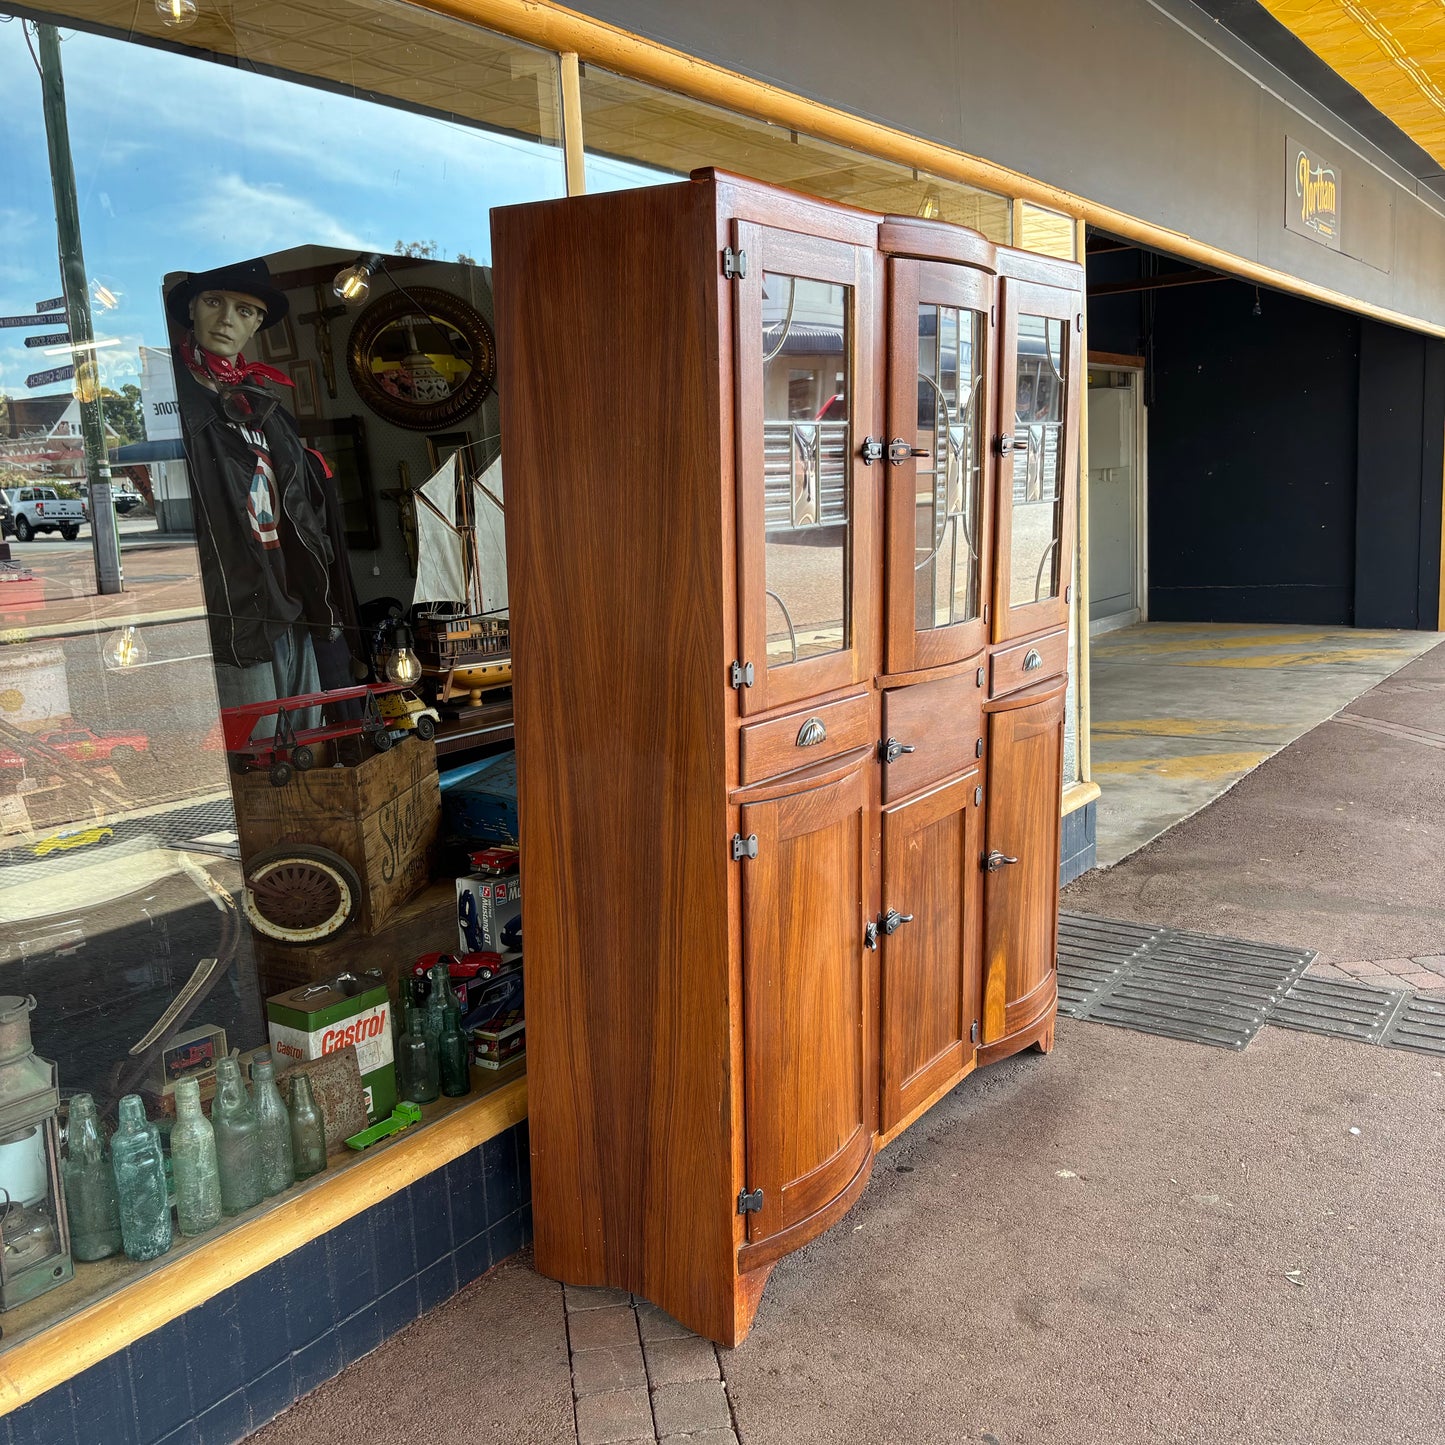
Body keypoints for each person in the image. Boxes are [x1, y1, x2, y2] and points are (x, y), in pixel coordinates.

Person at [165, 258, 361, 733]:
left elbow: (300, 512)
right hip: (234, 613)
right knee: (252, 755)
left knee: (307, 744)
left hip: (291, 600)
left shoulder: (267, 406)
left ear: (256, 325)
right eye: (215, 302)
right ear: (193, 307)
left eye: (246, 311)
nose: (229, 319)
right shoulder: (173, 399)